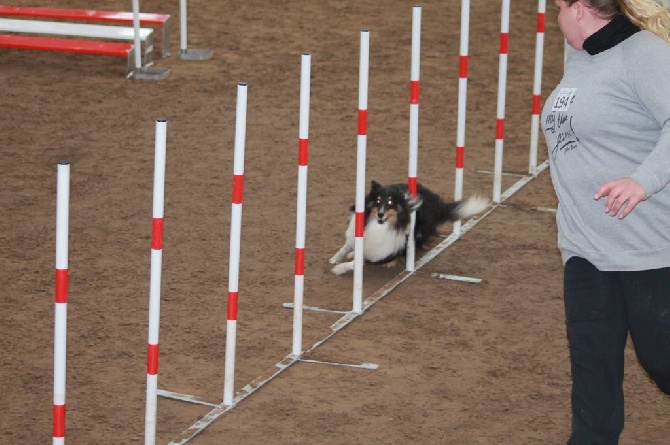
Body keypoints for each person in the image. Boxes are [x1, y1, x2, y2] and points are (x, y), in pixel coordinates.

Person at [541, 0, 670, 443]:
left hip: (648, 250)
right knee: (592, 384)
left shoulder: (645, 54)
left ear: (579, 10)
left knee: (662, 360)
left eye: (557, 7)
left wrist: (642, 181)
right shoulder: (581, 61)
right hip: (585, 253)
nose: (553, 17)